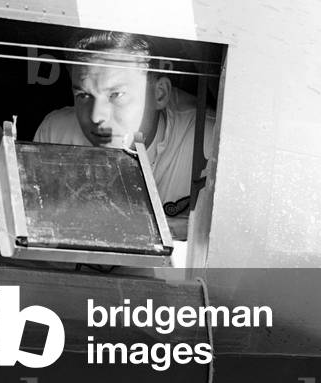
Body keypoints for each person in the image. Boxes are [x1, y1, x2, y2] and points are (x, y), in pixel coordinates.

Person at [33, 31, 216, 234]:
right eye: (83, 94)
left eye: (116, 95)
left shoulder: (209, 142)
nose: (95, 116)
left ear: (160, 93)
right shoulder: (56, 136)